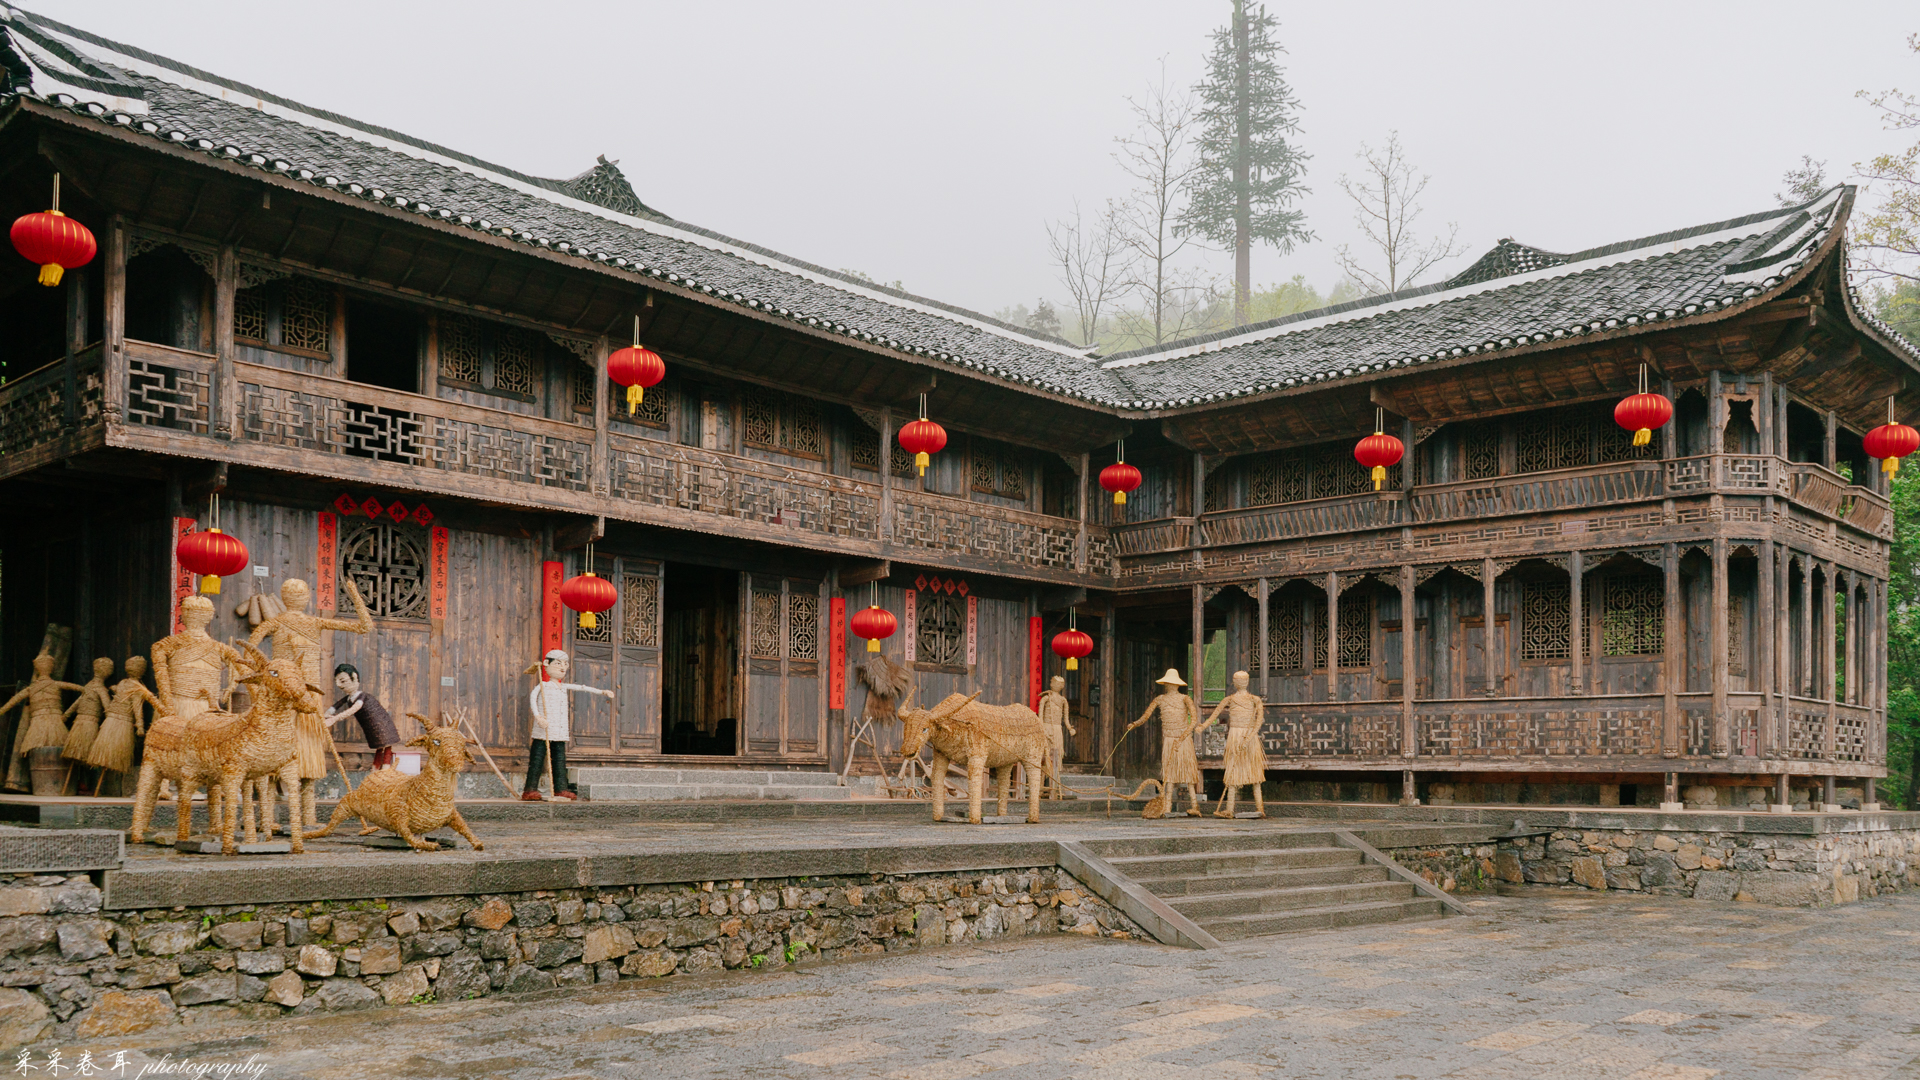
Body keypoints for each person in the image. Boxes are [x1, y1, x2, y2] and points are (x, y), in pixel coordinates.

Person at [524, 650, 612, 801]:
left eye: (565, 664)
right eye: (558, 664)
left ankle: (561, 788)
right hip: (543, 729)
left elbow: (582, 688)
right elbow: (533, 699)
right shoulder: (543, 685)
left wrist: (602, 691)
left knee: (559, 760)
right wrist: (538, 717)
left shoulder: (563, 687)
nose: (562, 667)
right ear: (546, 664)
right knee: (537, 759)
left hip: (559, 730)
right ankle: (530, 789)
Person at [1124, 669, 1206, 817]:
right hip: (1169, 739)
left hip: (1183, 740)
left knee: (1188, 773)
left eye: (1172, 683)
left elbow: (1193, 721)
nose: (1170, 686)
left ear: (1177, 685)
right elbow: (1146, 716)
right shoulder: (1160, 699)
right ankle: (1167, 807)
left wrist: (1182, 737)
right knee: (1169, 775)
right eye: (1168, 683)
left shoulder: (1185, 699)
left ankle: (1195, 806)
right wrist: (1134, 724)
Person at [1198, 670, 1267, 818]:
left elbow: (1258, 721)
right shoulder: (1230, 699)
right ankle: (1229, 809)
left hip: (1249, 738)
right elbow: (1214, 714)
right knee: (1233, 771)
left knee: (1254, 773)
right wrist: (1203, 726)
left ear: (1246, 682)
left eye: (1242, 680)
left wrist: (1248, 738)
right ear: (1235, 683)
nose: (1240, 683)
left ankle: (1260, 808)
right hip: (1235, 737)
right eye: (1238, 680)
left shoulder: (1255, 700)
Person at [324, 664, 400, 770]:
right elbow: (335, 707)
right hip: (372, 728)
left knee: (386, 746)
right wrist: (324, 715)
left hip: (383, 725)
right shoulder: (349, 698)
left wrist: (334, 718)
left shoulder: (362, 697)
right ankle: (376, 769)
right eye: (337, 682)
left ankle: (385, 770)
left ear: (354, 677)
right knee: (379, 747)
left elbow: (355, 708)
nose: (339, 685)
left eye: (342, 681)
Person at [1037, 675, 1076, 800]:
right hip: (1047, 728)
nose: (1059, 686)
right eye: (1057, 683)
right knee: (1045, 758)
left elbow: (1066, 719)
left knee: (1057, 759)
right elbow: (1040, 718)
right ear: (1052, 684)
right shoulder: (1045, 699)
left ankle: (1054, 787)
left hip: (1057, 729)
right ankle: (1040, 787)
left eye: (1061, 684)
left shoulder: (1063, 700)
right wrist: (1042, 729)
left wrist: (1070, 728)